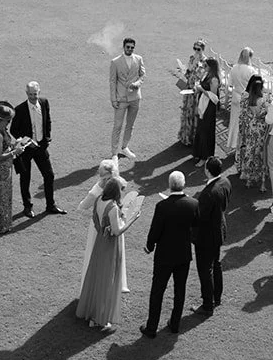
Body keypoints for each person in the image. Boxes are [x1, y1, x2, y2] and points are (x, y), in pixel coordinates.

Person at [142, 171, 199, 338]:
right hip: (183, 255)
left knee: (157, 290)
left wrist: (149, 246)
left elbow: (155, 230)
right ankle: (175, 324)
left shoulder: (162, 206)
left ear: (169, 185)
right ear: (184, 184)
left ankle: (151, 327)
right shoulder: (193, 204)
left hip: (164, 256)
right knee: (179, 290)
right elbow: (196, 226)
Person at [79, 175, 140, 331]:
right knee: (107, 281)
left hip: (100, 242)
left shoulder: (100, 199)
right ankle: (100, 319)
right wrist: (132, 219)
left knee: (97, 277)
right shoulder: (112, 207)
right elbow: (117, 231)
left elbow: (95, 219)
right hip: (110, 246)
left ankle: (92, 315)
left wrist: (104, 228)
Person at [10, 81, 62, 216]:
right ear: (27, 94)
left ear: (39, 92)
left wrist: (47, 139)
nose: (33, 97)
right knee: (25, 177)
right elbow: (14, 130)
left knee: (49, 175)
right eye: (31, 94)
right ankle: (27, 207)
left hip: (40, 146)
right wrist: (27, 141)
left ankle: (51, 205)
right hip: (26, 149)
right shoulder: (19, 109)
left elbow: (48, 121)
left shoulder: (44, 103)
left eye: (36, 94)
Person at [194, 157, 231, 312]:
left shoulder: (209, 193)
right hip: (218, 229)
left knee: (205, 269)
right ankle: (217, 297)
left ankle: (208, 305)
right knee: (216, 264)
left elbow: (200, 217)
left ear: (207, 171)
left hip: (206, 235)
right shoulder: (226, 182)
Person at [0, 103, 27, 233]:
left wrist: (16, 144)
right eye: (8, 120)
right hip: (2, 168)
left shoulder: (2, 131)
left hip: (7, 167)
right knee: (3, 196)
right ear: (2, 119)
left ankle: (3, 222)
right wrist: (14, 152)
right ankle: (1, 225)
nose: (9, 122)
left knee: (5, 195)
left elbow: (6, 146)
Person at [110, 37, 146, 160]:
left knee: (130, 124)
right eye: (128, 47)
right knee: (117, 126)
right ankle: (114, 153)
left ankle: (125, 147)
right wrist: (113, 99)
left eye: (132, 47)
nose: (130, 49)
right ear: (123, 47)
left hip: (135, 97)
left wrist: (137, 84)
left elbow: (142, 75)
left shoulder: (139, 59)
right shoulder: (115, 62)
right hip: (121, 99)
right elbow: (112, 82)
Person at [236, 75, 270, 188]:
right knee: (259, 151)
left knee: (250, 150)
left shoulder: (249, 98)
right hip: (260, 128)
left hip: (251, 127)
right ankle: (259, 175)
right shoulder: (263, 101)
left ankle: (248, 177)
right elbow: (268, 113)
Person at [226, 47, 258, 153]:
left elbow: (229, 84)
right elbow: (255, 86)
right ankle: (241, 143)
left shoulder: (234, 67)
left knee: (234, 121)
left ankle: (231, 143)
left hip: (235, 96)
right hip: (245, 97)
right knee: (245, 122)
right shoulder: (251, 70)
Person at [178, 40, 208, 146]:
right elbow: (187, 73)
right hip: (188, 89)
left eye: (198, 49)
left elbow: (203, 77)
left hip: (197, 91)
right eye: (194, 48)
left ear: (203, 50)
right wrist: (184, 71)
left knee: (195, 113)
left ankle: (195, 138)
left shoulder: (205, 61)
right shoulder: (191, 58)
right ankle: (185, 136)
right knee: (187, 112)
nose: (196, 51)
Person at [192, 57, 221, 163]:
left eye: (206, 66)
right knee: (200, 130)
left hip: (209, 108)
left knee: (205, 131)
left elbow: (214, 98)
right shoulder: (207, 75)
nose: (204, 67)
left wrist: (202, 90)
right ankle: (198, 153)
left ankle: (205, 157)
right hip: (203, 104)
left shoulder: (214, 79)